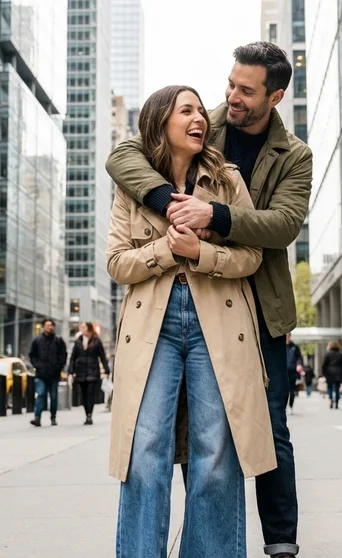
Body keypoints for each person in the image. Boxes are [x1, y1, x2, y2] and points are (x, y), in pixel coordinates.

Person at [106, 42, 311, 558]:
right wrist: (169, 208)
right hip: (171, 309)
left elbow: (281, 228)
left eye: (245, 90)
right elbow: (124, 154)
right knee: (152, 443)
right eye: (230, 85)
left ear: (275, 96)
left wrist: (209, 221)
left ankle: (281, 540)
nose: (229, 98)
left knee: (260, 426)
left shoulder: (291, 157)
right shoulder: (205, 124)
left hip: (253, 306)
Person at [67, 322, 110, 425]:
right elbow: (73, 357)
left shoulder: (96, 341)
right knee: (84, 394)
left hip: (93, 371)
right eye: (81, 327)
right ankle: (87, 413)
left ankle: (89, 415)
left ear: (89, 328)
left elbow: (102, 356)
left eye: (84, 327)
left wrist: (106, 369)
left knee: (90, 394)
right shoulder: (78, 341)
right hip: (80, 371)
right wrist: (71, 371)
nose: (82, 329)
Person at [28, 319, 68, 427]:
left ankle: (53, 416)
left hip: (54, 374)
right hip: (41, 374)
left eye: (51, 325)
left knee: (54, 397)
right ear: (43, 327)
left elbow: (63, 355)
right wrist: (38, 366)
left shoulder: (58, 341)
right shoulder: (37, 341)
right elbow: (32, 356)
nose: (49, 327)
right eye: (47, 325)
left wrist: (58, 366)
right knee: (40, 394)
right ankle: (37, 417)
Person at [322, 341, 342, 409]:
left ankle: (330, 399)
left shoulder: (327, 354)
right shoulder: (341, 355)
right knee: (337, 388)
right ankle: (337, 402)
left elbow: (324, 365)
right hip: (338, 373)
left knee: (330, 387)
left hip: (329, 373)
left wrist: (324, 373)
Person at [286, 333, 302, 413]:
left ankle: (291, 406)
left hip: (292, 370)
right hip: (283, 370)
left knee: (292, 389)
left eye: (288, 336)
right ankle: (284, 407)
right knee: (283, 390)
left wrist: (299, 365)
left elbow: (299, 357)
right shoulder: (280, 347)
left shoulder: (295, 347)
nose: (287, 338)